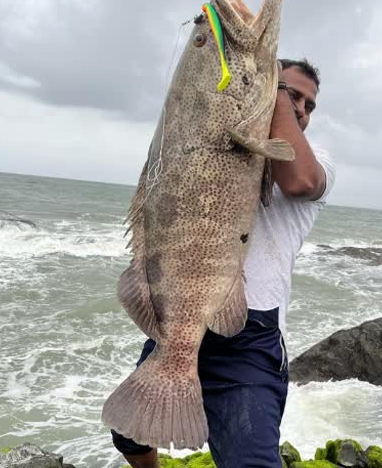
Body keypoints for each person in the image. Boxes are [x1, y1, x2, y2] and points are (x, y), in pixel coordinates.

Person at [111, 58, 336, 468]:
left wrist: (277, 93)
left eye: (308, 103)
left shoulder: (317, 160)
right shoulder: (219, 140)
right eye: (290, 92)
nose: (300, 107)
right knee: (128, 431)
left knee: (251, 462)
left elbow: (298, 181)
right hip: (182, 314)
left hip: (250, 337)